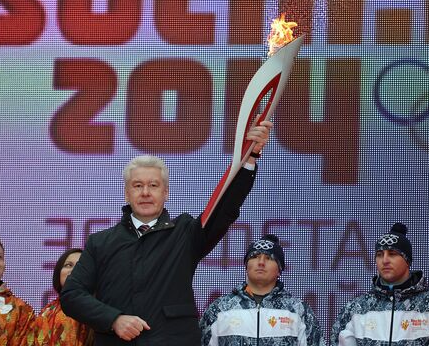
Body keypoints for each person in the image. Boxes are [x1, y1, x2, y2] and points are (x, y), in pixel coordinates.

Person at [60, 121, 272, 345]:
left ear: (166, 193)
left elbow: (225, 208)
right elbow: (72, 296)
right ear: (126, 194)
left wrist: (250, 157)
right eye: (137, 185)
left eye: (153, 185)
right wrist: (114, 319)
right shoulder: (100, 242)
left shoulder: (185, 232)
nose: (145, 193)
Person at [331, 223, 429, 346]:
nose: (385, 260)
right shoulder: (355, 309)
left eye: (392, 254)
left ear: (407, 260)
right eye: (380, 255)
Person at [200, 234, 325, 345]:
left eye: (269, 258)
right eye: (254, 257)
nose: (261, 262)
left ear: (279, 270)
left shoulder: (298, 311)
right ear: (246, 266)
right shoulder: (220, 309)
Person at [33, 248, 93, 345]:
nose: (74, 270)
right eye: (68, 265)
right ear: (58, 273)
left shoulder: (101, 310)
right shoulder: (46, 313)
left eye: (81, 265)